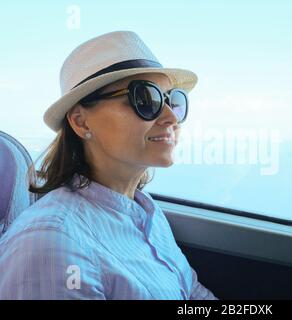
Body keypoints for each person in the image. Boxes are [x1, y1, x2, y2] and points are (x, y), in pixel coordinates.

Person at [0, 31, 218, 300]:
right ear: (81, 122)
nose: (172, 117)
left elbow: (192, 292)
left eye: (173, 99)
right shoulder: (50, 242)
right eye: (145, 99)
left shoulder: (146, 211)